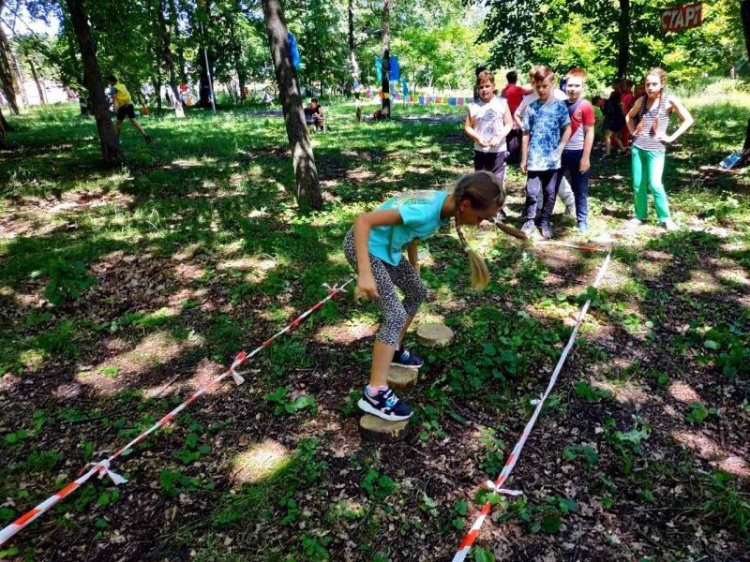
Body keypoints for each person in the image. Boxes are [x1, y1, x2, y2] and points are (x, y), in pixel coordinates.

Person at [346, 172, 514, 421]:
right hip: (366, 247)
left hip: (385, 249)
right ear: (465, 205)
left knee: (418, 291)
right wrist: (365, 273)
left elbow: (412, 234)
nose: (479, 224)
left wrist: (414, 267)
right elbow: (362, 222)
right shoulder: (426, 212)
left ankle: (393, 348)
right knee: (394, 315)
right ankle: (375, 392)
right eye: (480, 218)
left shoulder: (444, 208)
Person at [625, 67, 694, 232]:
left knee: (655, 184)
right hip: (638, 148)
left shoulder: (669, 101)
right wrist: (633, 131)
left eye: (654, 84)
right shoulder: (641, 101)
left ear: (662, 84)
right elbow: (629, 116)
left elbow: (688, 119)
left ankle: (666, 219)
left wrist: (671, 137)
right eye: (648, 84)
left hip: (656, 150)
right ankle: (640, 216)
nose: (650, 87)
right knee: (638, 184)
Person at [515, 68, 576, 219]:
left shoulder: (559, 96)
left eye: (539, 82)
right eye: (533, 81)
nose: (536, 85)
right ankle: (536, 209)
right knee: (535, 182)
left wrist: (560, 145)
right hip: (536, 150)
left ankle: (570, 202)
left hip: (554, 147)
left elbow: (565, 121)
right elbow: (518, 114)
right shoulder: (529, 99)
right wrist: (525, 127)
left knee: (555, 179)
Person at [560, 68, 596, 235]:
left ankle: (582, 220)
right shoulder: (560, 105)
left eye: (576, 85)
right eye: (570, 85)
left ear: (582, 87)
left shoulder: (586, 106)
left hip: (578, 153)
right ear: (565, 86)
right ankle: (545, 218)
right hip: (560, 153)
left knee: (580, 189)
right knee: (551, 186)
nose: (572, 89)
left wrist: (585, 157)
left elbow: (590, 132)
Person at [464, 70, 513, 192]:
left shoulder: (502, 103)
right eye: (481, 87)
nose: (484, 89)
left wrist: (499, 137)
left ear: (493, 86)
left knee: (497, 183)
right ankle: (483, 209)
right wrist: (477, 138)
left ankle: (497, 210)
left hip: (498, 150)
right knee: (481, 182)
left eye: (487, 86)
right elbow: (468, 127)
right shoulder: (473, 107)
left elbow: (509, 123)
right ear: (477, 88)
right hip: (480, 150)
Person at [105, 75, 150, 144]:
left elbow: (114, 100)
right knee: (134, 121)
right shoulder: (122, 85)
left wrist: (115, 109)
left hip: (123, 107)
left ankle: (116, 140)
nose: (109, 83)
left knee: (118, 124)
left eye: (109, 81)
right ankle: (145, 134)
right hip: (130, 104)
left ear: (112, 81)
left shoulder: (113, 88)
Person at [501, 71, 532, 164]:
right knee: (516, 137)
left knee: (508, 136)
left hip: (507, 115)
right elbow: (529, 93)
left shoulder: (504, 90)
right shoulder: (518, 89)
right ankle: (514, 158)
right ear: (516, 79)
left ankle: (508, 154)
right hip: (517, 115)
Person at [602, 80, 626, 157]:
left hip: (615, 119)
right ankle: (623, 151)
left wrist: (611, 119)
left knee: (607, 136)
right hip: (618, 119)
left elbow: (610, 111)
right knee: (615, 136)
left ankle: (608, 154)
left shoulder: (618, 96)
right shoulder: (616, 95)